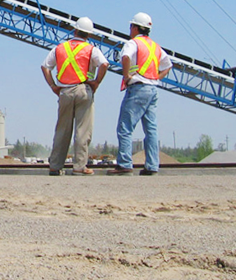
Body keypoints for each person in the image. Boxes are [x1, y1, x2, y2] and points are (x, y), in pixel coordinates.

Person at [41, 17, 109, 176]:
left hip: (64, 91)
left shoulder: (59, 48)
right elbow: (104, 64)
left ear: (75, 30)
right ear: (88, 34)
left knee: (62, 130)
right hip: (83, 90)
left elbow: (45, 67)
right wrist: (96, 82)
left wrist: (53, 86)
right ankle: (79, 167)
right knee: (82, 130)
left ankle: (55, 166)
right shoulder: (91, 49)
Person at [108, 12, 172, 176]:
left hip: (138, 88)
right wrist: (157, 77)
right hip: (153, 89)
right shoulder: (155, 46)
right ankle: (152, 165)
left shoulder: (133, 43)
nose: (130, 29)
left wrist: (126, 75)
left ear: (135, 27)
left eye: (131, 26)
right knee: (151, 129)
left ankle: (124, 163)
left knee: (125, 127)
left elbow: (125, 57)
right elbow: (168, 65)